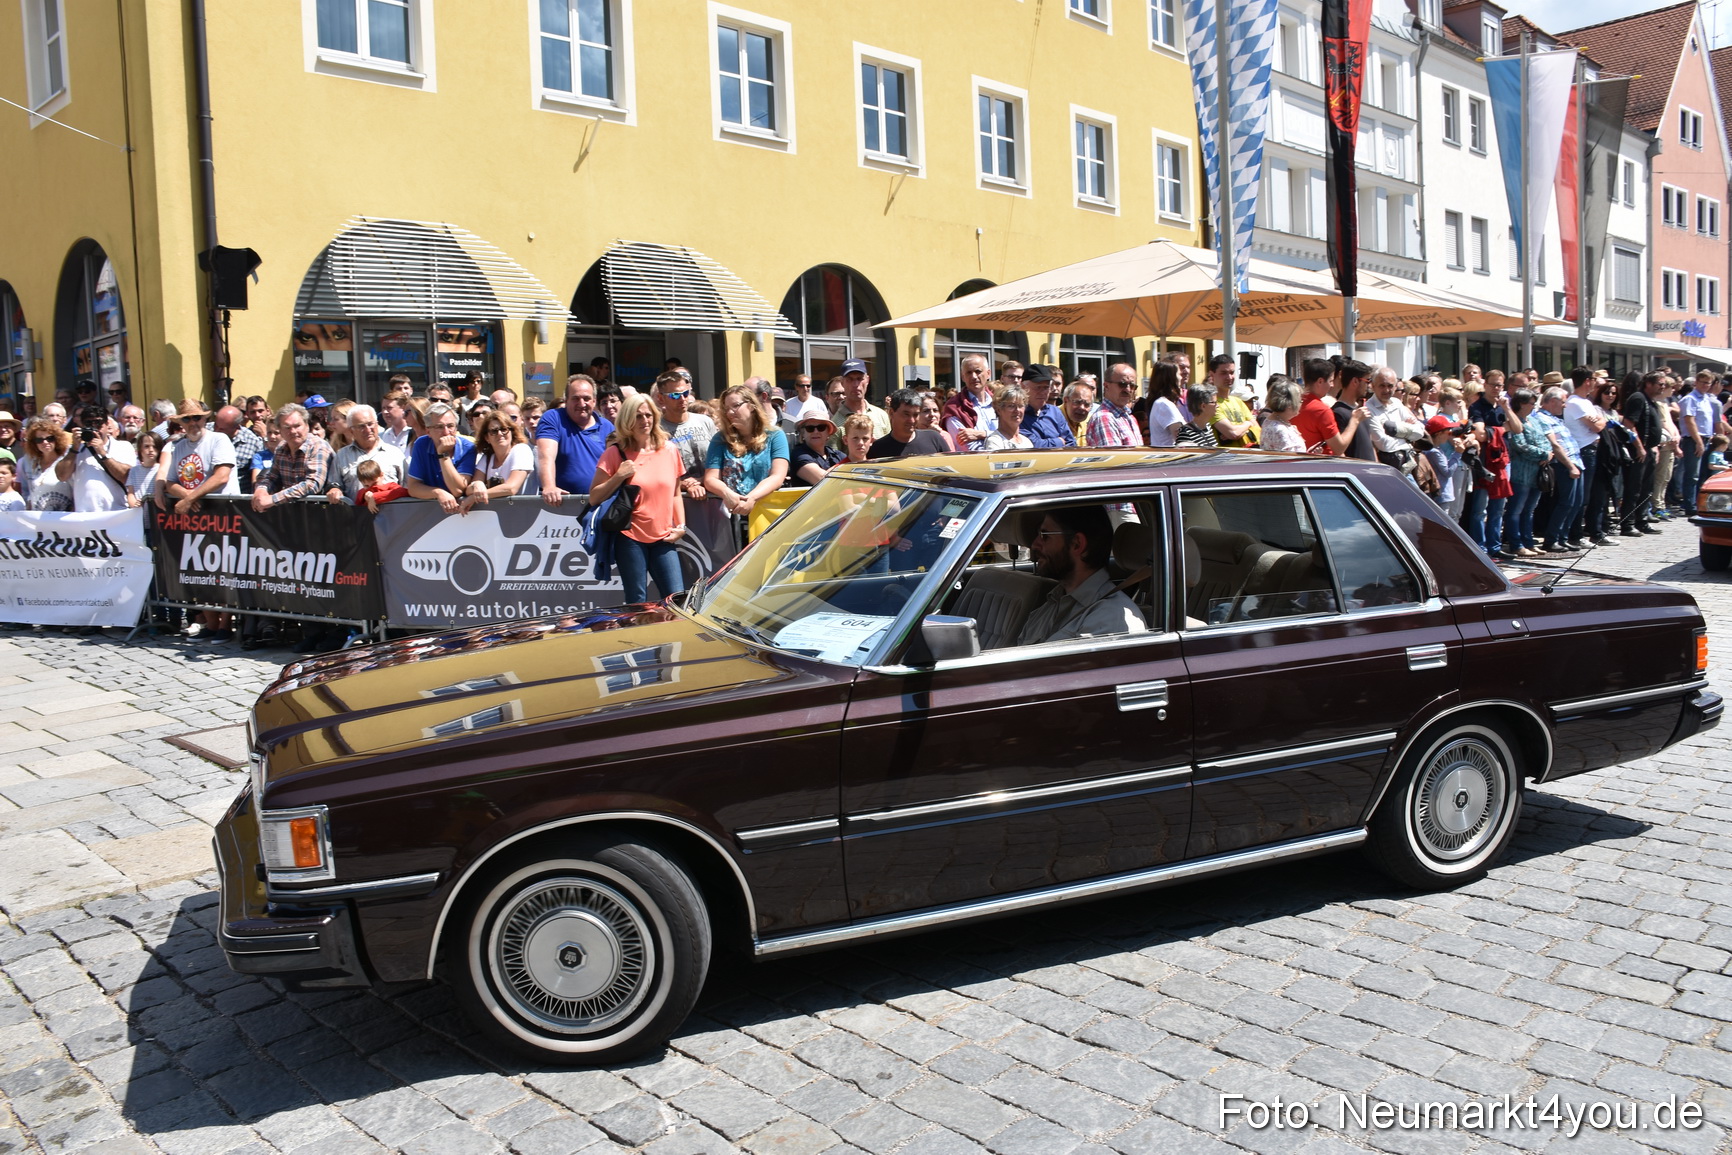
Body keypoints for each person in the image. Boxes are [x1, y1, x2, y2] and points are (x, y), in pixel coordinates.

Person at [590, 394, 686, 604]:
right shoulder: (614, 453)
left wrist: (681, 525)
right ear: (626, 420)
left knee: (677, 599)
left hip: (664, 536)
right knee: (637, 600)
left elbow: (676, 493)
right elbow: (594, 496)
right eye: (638, 416)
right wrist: (619, 476)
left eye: (648, 415)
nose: (645, 421)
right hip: (629, 537)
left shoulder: (669, 450)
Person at [1017, 505, 1147, 645]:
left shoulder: (1112, 620)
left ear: (1077, 544)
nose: (1035, 545)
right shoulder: (1050, 606)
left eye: (1045, 535)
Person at [704, 384, 790, 529]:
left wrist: (752, 498)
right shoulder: (720, 439)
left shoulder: (775, 435)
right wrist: (727, 493)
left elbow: (777, 476)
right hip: (730, 519)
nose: (730, 413)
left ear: (751, 405)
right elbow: (710, 478)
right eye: (726, 408)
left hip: (766, 516)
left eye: (735, 406)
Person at [536, 375, 614, 507]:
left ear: (594, 401)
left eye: (587, 398)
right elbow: (546, 456)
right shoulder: (553, 418)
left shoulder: (607, 427)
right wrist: (549, 486)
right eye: (575, 398)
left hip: (601, 505)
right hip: (563, 507)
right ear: (566, 400)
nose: (582, 404)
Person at [1528, 387, 1583, 553]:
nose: (1565, 406)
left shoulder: (1556, 418)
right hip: (1564, 464)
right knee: (1565, 502)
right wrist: (1570, 466)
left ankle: (1562, 537)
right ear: (1553, 401)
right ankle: (1552, 539)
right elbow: (1555, 445)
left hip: (1575, 461)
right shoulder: (1542, 417)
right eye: (1563, 402)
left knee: (1576, 503)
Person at [159, 400, 237, 514]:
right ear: (181, 423)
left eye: (196, 417)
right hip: (197, 517)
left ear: (204, 419)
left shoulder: (219, 440)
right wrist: (188, 496)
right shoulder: (179, 447)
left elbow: (222, 476)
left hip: (224, 513)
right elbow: (170, 483)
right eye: (186, 419)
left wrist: (189, 499)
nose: (192, 423)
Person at [55, 403, 135, 512]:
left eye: (98, 423)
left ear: (107, 424)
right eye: (89, 423)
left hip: (117, 513)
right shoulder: (74, 450)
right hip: (86, 516)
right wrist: (74, 449)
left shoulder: (123, 446)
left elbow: (127, 477)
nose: (94, 428)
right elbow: (62, 476)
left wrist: (102, 453)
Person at [251, 403, 331, 512]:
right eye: (287, 427)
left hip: (321, 513)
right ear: (280, 430)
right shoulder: (281, 448)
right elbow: (273, 477)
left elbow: (312, 484)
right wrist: (261, 489)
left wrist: (273, 499)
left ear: (307, 426)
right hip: (293, 514)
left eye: (297, 426)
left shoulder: (319, 446)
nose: (293, 431)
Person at [325, 404, 406, 503]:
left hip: (390, 515)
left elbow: (406, 486)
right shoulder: (342, 455)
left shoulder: (394, 453)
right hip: (357, 515)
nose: (368, 430)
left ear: (377, 424)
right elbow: (334, 483)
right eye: (361, 426)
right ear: (351, 430)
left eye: (370, 424)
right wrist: (334, 489)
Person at [461, 409, 537, 513]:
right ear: (487, 437)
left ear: (511, 432)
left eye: (504, 429)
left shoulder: (521, 450)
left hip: (524, 515)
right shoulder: (487, 458)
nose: (500, 434)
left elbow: (511, 488)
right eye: (494, 431)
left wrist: (475, 497)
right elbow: (469, 489)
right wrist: (476, 484)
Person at [404, 402, 474, 512]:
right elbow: (413, 488)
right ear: (428, 431)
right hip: (430, 514)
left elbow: (457, 490)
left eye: (450, 426)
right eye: (439, 427)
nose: (446, 432)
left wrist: (443, 455)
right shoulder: (421, 444)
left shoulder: (468, 448)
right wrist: (438, 492)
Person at [1295, 358, 1365, 456]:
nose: (1332, 385)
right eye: (1331, 381)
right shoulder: (1321, 410)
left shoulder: (1293, 404)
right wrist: (1355, 420)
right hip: (1323, 465)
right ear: (1320, 381)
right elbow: (1339, 448)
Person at [871, 388, 953, 457]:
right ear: (891, 413)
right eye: (906, 414)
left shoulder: (934, 439)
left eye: (915, 415)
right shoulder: (878, 449)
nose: (911, 420)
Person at [941, 354, 996, 449]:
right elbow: (970, 448)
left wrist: (982, 434)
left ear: (988, 373)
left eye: (978, 371)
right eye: (969, 373)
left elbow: (1014, 435)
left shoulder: (999, 402)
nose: (974, 376)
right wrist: (1000, 439)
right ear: (963, 377)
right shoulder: (954, 407)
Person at [830, 359, 890, 444]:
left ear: (867, 380)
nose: (855, 385)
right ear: (843, 383)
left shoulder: (881, 416)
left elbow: (891, 451)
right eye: (850, 379)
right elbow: (835, 456)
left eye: (859, 379)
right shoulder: (836, 424)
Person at [19, 419, 72, 510]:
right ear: (34, 443)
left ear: (57, 439)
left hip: (64, 518)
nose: (45, 442)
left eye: (49, 438)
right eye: (39, 440)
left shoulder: (66, 460)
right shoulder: (32, 463)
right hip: (38, 518)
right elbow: (29, 492)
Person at [1087, 362, 1144, 447]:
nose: (1128, 389)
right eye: (1122, 384)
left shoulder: (1130, 418)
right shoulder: (1103, 418)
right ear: (1106, 386)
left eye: (1132, 386)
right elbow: (1114, 458)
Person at [1208, 355, 1258, 447]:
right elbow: (1233, 433)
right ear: (1212, 375)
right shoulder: (1211, 404)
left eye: (1232, 372)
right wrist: (1248, 423)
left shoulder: (1238, 401)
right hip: (1225, 459)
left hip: (1247, 457)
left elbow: (1258, 429)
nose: (1229, 377)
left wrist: (1241, 430)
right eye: (1224, 373)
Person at [1331, 360, 1377, 461]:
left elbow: (1369, 444)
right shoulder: (1337, 412)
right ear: (1355, 381)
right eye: (1367, 381)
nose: (1369, 386)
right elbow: (1339, 451)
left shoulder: (1360, 411)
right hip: (1356, 473)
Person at [1018, 365, 1074, 448]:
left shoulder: (1055, 412)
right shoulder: (1017, 414)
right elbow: (1032, 445)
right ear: (1023, 387)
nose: (1042, 392)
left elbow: (1071, 443)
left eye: (1046, 387)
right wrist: (1059, 441)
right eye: (1038, 387)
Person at [213, 405, 263, 494]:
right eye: (215, 425)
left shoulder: (253, 442)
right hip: (209, 496)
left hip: (238, 498)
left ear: (237, 427)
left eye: (222, 429)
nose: (216, 430)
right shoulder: (207, 432)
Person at [788, 415, 843, 485]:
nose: (816, 431)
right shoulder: (798, 455)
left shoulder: (837, 454)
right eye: (810, 428)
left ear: (828, 432)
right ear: (803, 433)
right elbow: (823, 481)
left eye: (821, 428)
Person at [1259, 376, 1308, 454]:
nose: (1301, 403)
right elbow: (1290, 461)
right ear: (1289, 404)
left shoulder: (1270, 421)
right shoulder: (1280, 430)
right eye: (1299, 401)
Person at [1142, 362, 1185, 448]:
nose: (1181, 377)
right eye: (1179, 374)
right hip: (1171, 457)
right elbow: (1182, 437)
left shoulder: (1161, 403)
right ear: (1171, 378)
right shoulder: (1164, 404)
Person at [981, 386, 1033, 450]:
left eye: (1021, 406)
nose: (1017, 410)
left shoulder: (1027, 442)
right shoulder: (995, 441)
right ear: (999, 410)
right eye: (1011, 406)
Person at [125, 431, 167, 509]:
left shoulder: (162, 469)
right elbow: (130, 493)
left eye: (154, 446)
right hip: (138, 511)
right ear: (140, 449)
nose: (151, 450)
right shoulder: (133, 471)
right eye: (146, 446)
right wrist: (134, 504)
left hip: (156, 510)